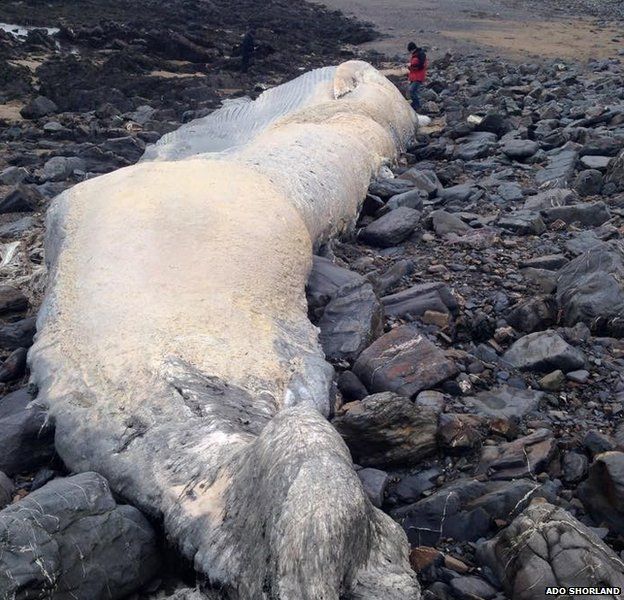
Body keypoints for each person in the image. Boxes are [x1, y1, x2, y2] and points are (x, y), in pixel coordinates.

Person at [407, 41, 428, 111]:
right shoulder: (417, 54)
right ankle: (415, 104)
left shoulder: (419, 55)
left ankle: (417, 106)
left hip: (418, 76)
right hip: (414, 76)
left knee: (412, 91)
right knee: (412, 91)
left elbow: (421, 66)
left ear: (412, 49)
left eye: (410, 51)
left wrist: (411, 66)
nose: (410, 52)